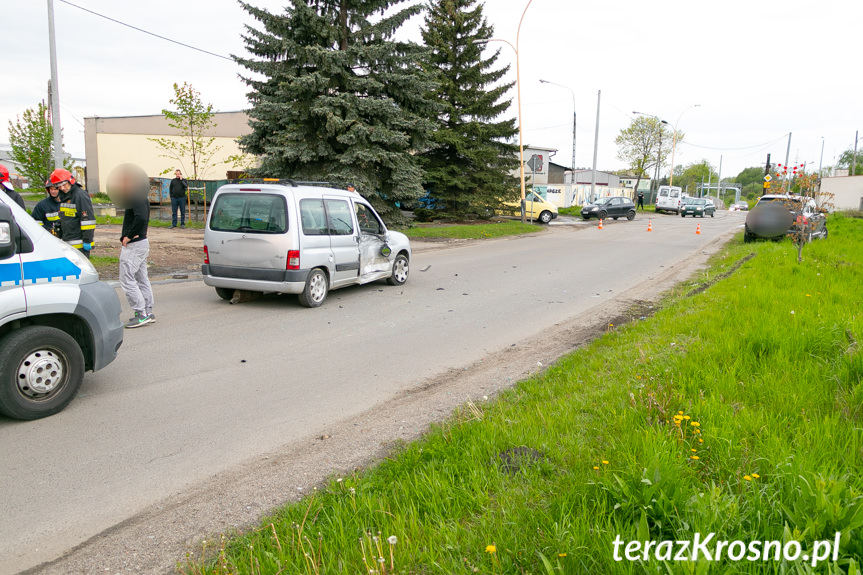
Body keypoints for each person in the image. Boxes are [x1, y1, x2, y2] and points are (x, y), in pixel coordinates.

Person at [118, 174, 154, 328]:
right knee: (141, 277)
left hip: (135, 244)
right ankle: (148, 311)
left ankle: (141, 314)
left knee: (127, 278)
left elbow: (141, 218)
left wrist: (129, 236)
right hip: (141, 243)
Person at [49, 168, 96, 258]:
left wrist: (87, 240)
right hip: (68, 242)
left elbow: (87, 220)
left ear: (70, 181)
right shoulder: (64, 196)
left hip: (80, 244)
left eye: (64, 184)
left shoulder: (80, 195)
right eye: (59, 186)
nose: (62, 188)